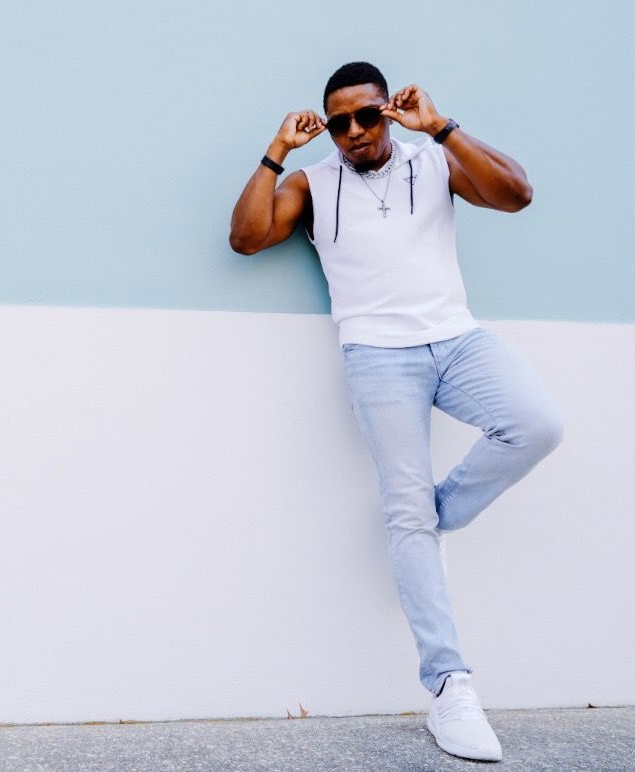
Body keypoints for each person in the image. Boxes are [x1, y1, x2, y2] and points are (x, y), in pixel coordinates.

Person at [228, 61, 563, 762]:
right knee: (404, 509)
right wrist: (278, 149)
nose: (354, 131)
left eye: (366, 116)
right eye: (339, 122)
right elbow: (247, 237)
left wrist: (440, 125)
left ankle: (431, 522)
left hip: (458, 339)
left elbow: (517, 194)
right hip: (378, 356)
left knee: (535, 425)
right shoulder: (313, 184)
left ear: (388, 110)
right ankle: (449, 687)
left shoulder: (433, 160)